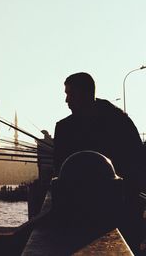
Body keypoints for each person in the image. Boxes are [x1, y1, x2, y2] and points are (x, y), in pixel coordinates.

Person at [53, 72, 145, 253]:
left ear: (85, 94)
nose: (66, 100)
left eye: (70, 94)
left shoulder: (66, 128)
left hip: (103, 214)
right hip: (112, 212)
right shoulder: (120, 120)